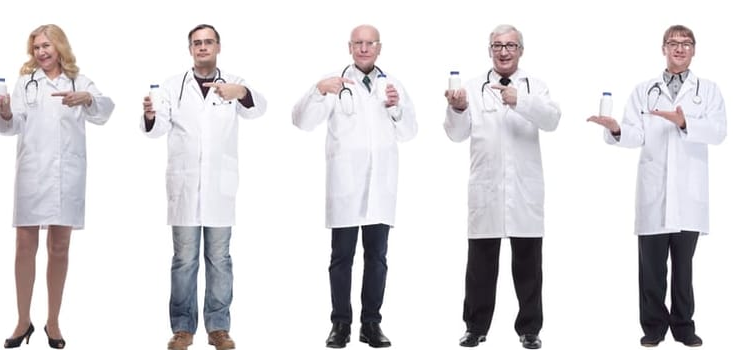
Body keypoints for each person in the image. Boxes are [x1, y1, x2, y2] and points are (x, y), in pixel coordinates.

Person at [584, 25, 723, 348]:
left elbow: (718, 131)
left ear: (694, 50)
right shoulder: (645, 90)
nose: (679, 48)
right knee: (651, 269)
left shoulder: (709, 90)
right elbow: (635, 135)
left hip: (689, 195)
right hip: (653, 194)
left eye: (686, 43)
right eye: (673, 43)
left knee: (684, 268)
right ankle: (654, 327)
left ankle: (684, 327)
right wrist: (617, 128)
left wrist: (684, 122)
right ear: (663, 48)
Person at [0, 24, 114, 350]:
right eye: (36, 48)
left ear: (59, 47)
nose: (41, 52)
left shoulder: (79, 81)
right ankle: (22, 320)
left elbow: (104, 110)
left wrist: (87, 99)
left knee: (59, 248)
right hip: (32, 174)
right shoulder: (26, 82)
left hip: (67, 176)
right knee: (24, 248)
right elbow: (11, 125)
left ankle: (53, 321)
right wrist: (3, 112)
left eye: (46, 46)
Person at [290, 24, 416, 349]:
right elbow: (301, 122)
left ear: (379, 48)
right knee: (341, 258)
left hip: (380, 187)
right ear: (350, 47)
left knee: (377, 258)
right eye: (358, 43)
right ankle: (340, 325)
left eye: (369, 43)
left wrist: (396, 109)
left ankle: (371, 325)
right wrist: (318, 90)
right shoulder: (335, 83)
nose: (363, 48)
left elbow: (409, 132)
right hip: (345, 186)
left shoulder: (393, 84)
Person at [142, 24, 266, 350]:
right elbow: (156, 130)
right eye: (197, 43)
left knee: (220, 258)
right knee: (184, 260)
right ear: (190, 49)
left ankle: (219, 328)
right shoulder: (172, 87)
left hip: (219, 189)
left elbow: (259, 108)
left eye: (208, 42)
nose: (202, 47)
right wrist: (151, 114)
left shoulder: (234, 84)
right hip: (184, 187)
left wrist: (241, 93)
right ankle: (182, 329)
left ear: (218, 46)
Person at [442, 24, 560, 350]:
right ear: (490, 50)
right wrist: (458, 108)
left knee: (528, 267)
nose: (504, 51)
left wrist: (520, 100)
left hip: (524, 192)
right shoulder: (470, 87)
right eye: (497, 45)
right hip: (487, 190)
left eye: (510, 45)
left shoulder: (534, 86)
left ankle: (530, 329)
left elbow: (551, 120)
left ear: (521, 50)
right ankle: (475, 327)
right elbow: (455, 134)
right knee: (480, 267)